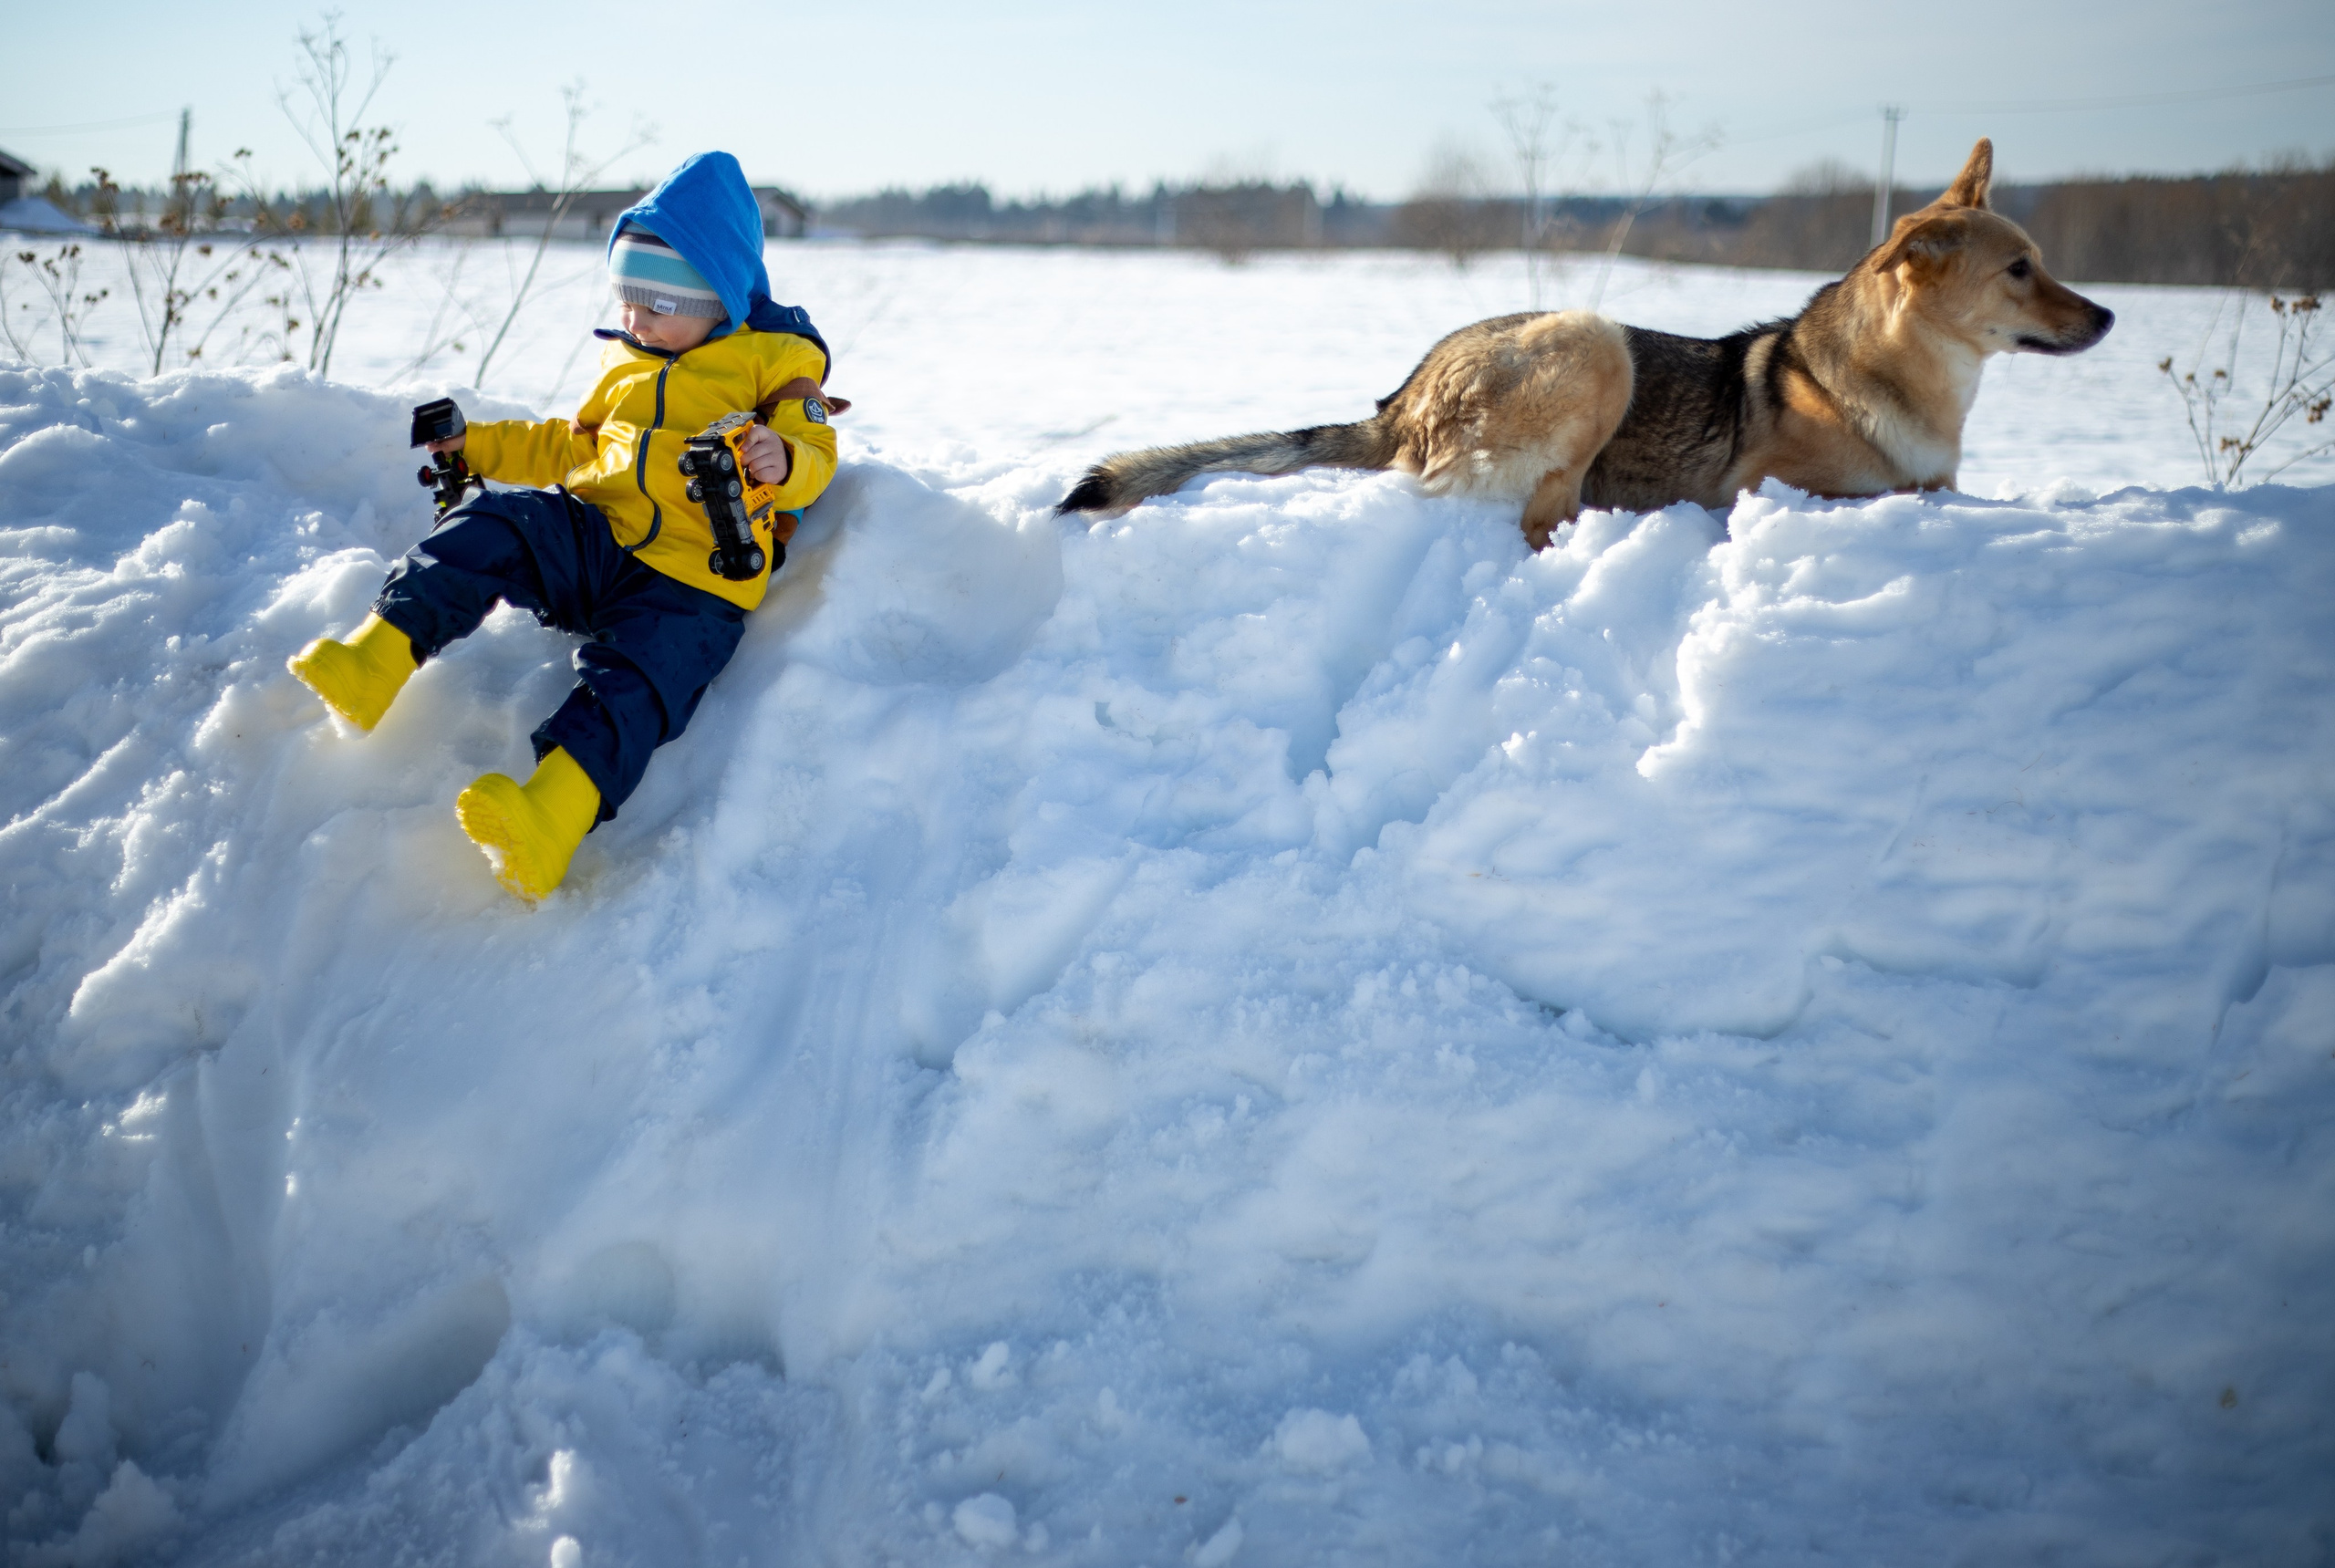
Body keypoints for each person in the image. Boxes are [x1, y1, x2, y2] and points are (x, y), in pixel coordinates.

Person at [288, 152, 840, 901]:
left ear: (718, 294)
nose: (634, 320)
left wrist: (784, 458)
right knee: (496, 522)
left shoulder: (776, 363)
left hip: (695, 579)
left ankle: (550, 816)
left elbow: (817, 450)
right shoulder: (628, 362)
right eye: (625, 299)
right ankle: (375, 659)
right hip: (598, 540)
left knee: (640, 679)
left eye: (656, 303)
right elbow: (570, 445)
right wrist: (476, 446)